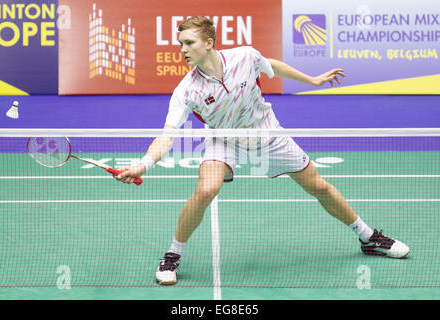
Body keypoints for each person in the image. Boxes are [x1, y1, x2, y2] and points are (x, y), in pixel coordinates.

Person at [115, 16, 410, 285]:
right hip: (224, 139)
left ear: (208, 42)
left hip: (266, 133)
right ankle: (172, 255)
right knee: (206, 190)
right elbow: (168, 135)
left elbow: (270, 66)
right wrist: (145, 164)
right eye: (181, 44)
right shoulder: (186, 90)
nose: (183, 49)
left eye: (189, 42)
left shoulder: (244, 56)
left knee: (318, 186)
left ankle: (368, 237)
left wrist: (312, 80)